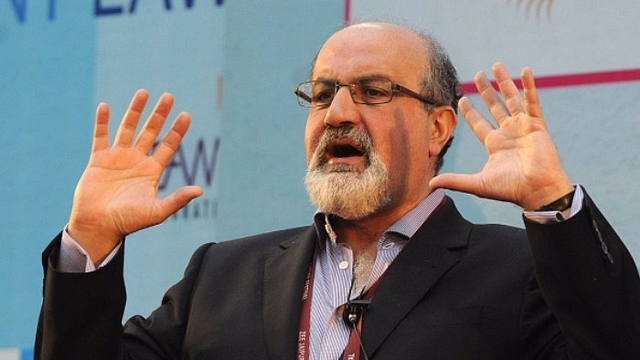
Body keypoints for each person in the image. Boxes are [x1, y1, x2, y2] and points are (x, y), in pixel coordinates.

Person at [36, 22, 640, 360]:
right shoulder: (219, 276)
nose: (337, 113)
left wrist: (554, 205)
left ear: (438, 126)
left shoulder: (518, 273)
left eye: (373, 91)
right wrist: (89, 241)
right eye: (321, 94)